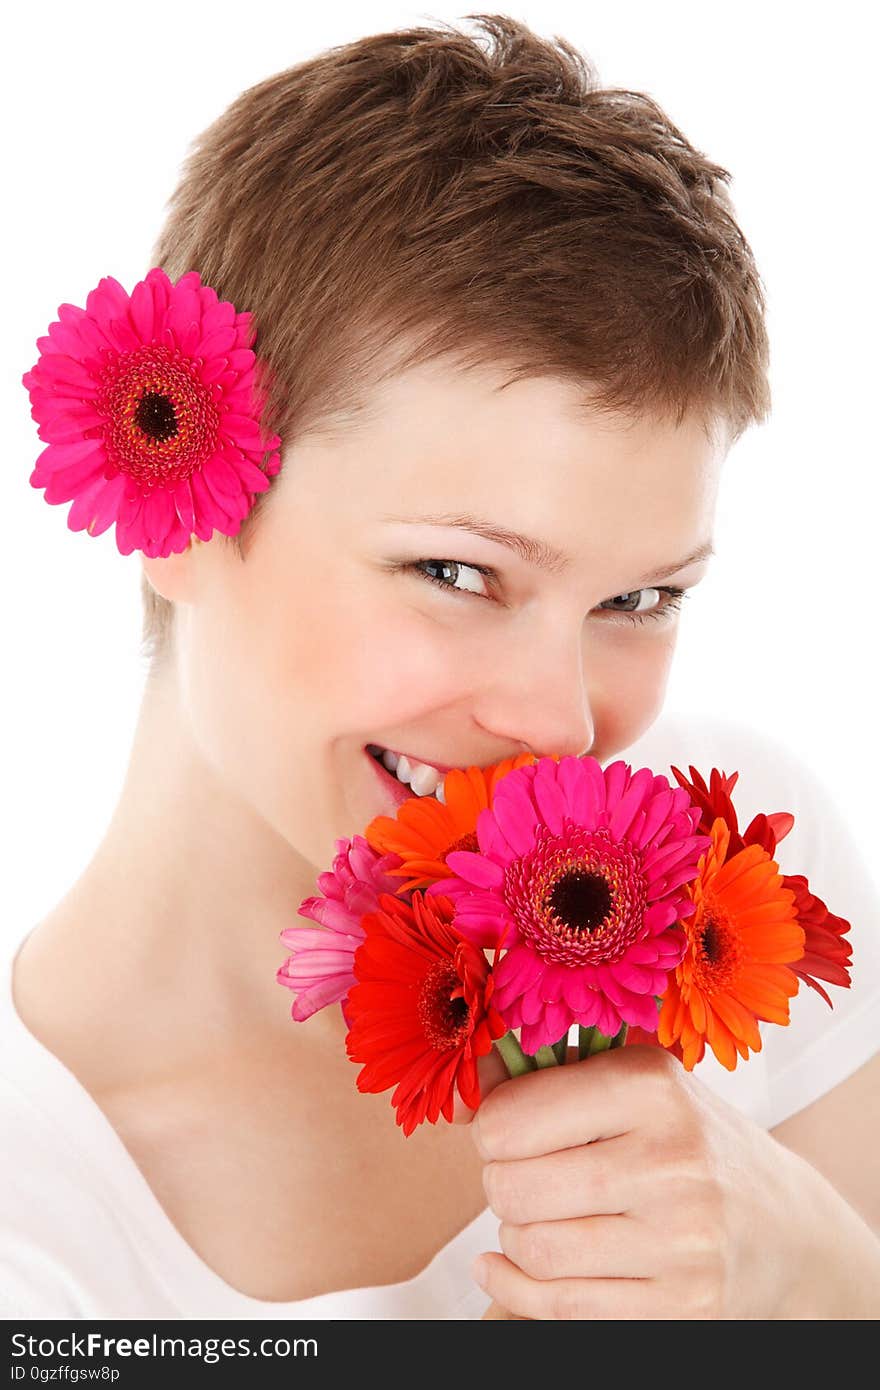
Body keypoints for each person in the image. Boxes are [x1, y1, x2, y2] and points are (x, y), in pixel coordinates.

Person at [3, 15, 878, 1321]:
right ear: (172, 499)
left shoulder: (732, 874)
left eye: (637, 597)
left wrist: (800, 1259)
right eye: (458, 574)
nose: (561, 720)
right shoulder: (41, 1233)